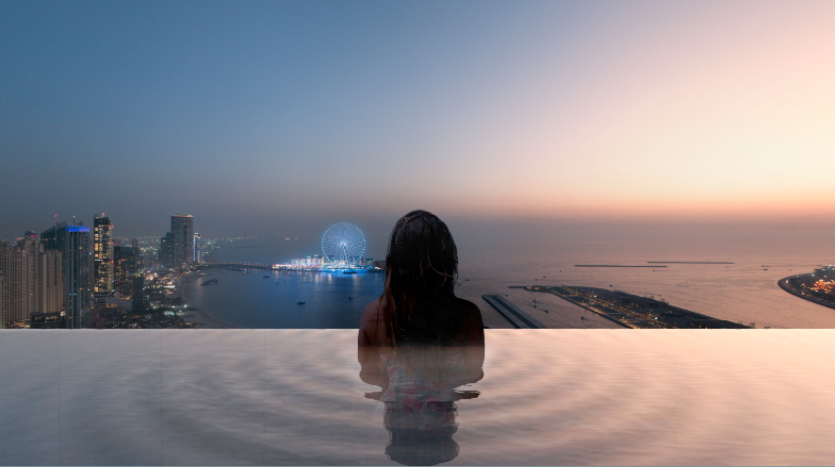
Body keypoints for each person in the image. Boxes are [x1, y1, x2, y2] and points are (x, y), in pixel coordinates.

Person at [358, 210, 485, 465]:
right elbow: (473, 375)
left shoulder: (373, 314)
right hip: (443, 436)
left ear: (395, 260)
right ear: (447, 260)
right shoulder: (467, 316)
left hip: (397, 433)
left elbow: (369, 375)